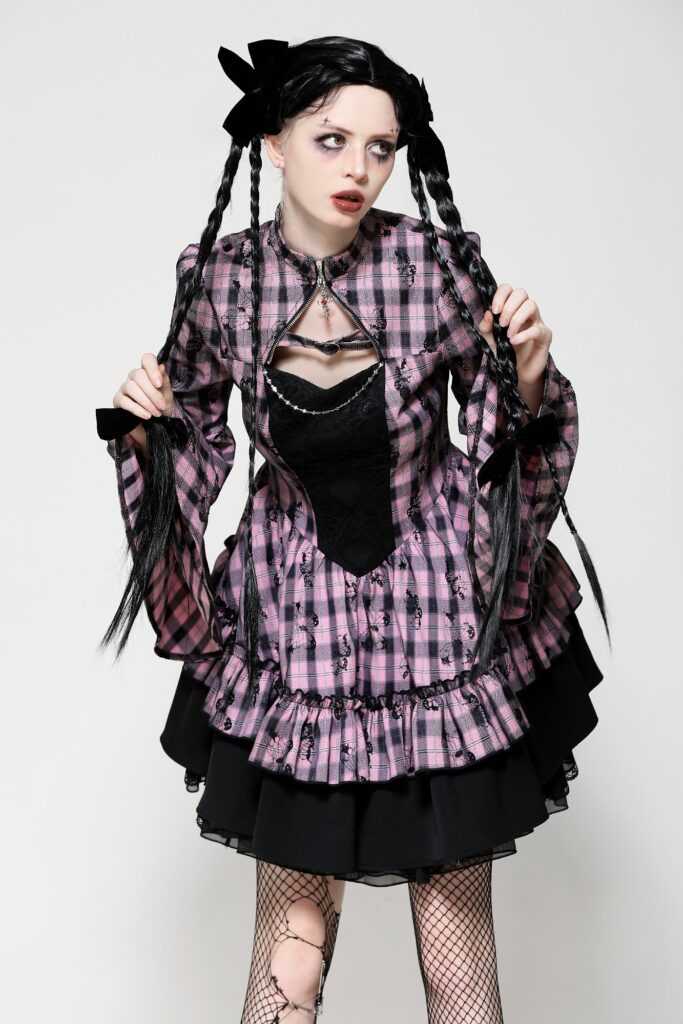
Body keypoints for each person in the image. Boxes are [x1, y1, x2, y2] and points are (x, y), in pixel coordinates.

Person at [95, 36, 610, 1024]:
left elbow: (502, 445)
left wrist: (528, 378)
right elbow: (192, 449)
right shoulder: (222, 282)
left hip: (439, 632)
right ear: (274, 141)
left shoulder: (433, 266)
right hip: (297, 640)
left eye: (380, 148)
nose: (358, 169)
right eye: (330, 139)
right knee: (291, 954)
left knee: (455, 955)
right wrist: (146, 432)